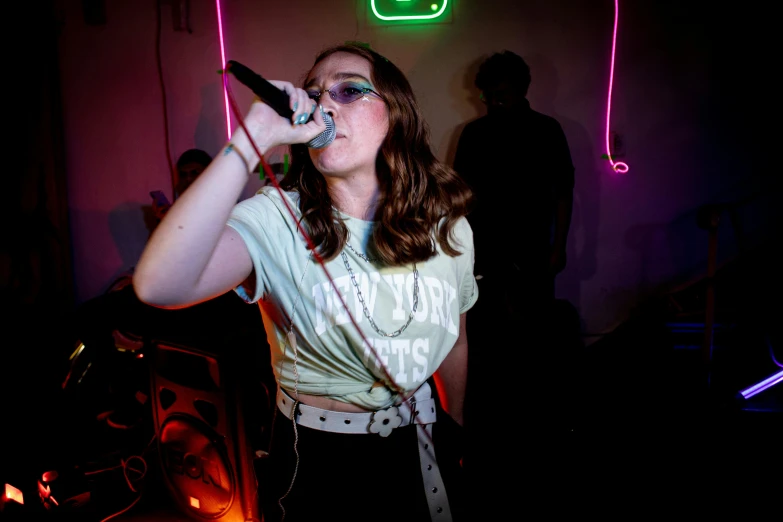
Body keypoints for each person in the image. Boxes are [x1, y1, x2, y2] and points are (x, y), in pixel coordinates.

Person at [133, 43, 477, 522]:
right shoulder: (276, 218)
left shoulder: (449, 226)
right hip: (318, 455)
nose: (325, 104)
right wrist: (254, 136)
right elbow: (158, 286)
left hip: (420, 438)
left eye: (349, 90)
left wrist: (455, 426)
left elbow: (455, 338)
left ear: (396, 114)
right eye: (315, 94)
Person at [452, 50, 576, 512]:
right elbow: (459, 197)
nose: (492, 97)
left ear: (521, 87)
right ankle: (492, 434)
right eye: (488, 90)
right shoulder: (474, 133)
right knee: (485, 343)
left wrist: (559, 247)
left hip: (530, 251)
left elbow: (563, 192)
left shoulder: (547, 130)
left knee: (532, 343)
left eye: (500, 89)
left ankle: (535, 434)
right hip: (483, 252)